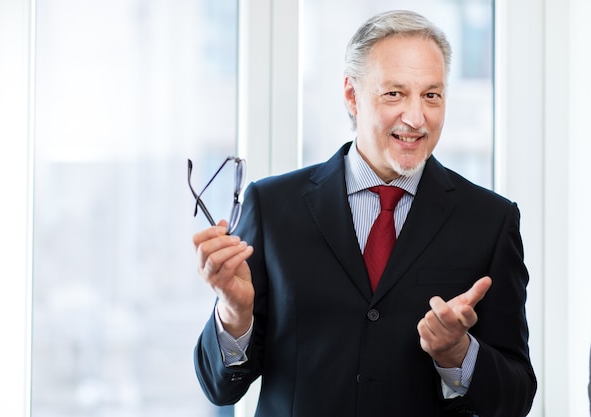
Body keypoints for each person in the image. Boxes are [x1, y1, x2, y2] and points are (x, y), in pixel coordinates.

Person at [192, 10, 536, 417]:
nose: (415, 118)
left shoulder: (489, 221)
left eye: (431, 95)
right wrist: (234, 314)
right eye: (394, 94)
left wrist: (458, 353)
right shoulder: (273, 206)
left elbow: (515, 399)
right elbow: (220, 389)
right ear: (352, 96)